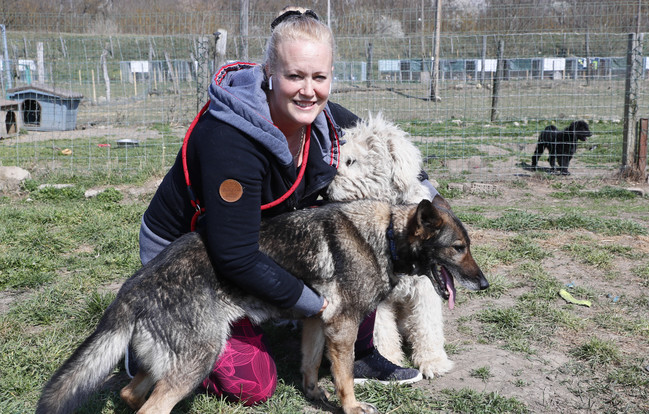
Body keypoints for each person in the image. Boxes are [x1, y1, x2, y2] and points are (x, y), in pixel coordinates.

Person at [128, 7, 450, 406]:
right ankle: (152, 339)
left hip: (268, 242)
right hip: (191, 261)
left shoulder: (324, 118)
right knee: (253, 385)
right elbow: (234, 254)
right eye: (295, 76)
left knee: (363, 251)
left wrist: (428, 197)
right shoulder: (230, 139)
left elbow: (386, 140)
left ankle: (361, 351)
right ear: (269, 74)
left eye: (319, 77)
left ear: (331, 76)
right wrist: (312, 303)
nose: (308, 90)